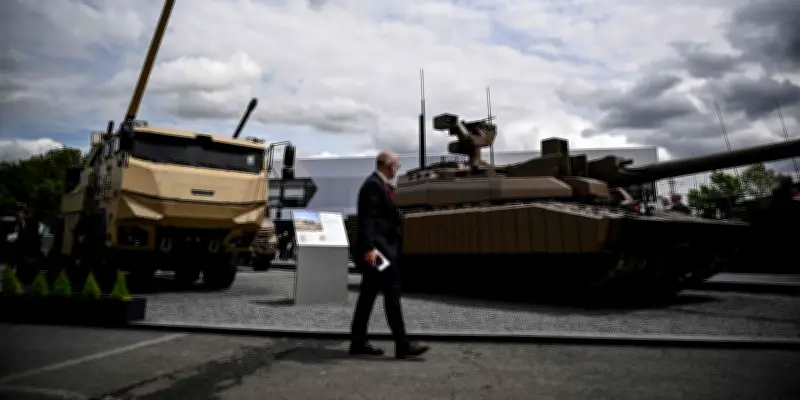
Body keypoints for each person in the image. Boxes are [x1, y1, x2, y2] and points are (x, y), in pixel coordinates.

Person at [349, 150, 429, 359]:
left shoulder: (378, 184)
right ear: (390, 165)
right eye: (397, 166)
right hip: (379, 252)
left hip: (378, 250)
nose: (397, 170)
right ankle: (402, 345)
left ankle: (358, 342)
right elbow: (368, 219)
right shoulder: (373, 186)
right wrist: (369, 248)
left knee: (368, 295)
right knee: (391, 293)